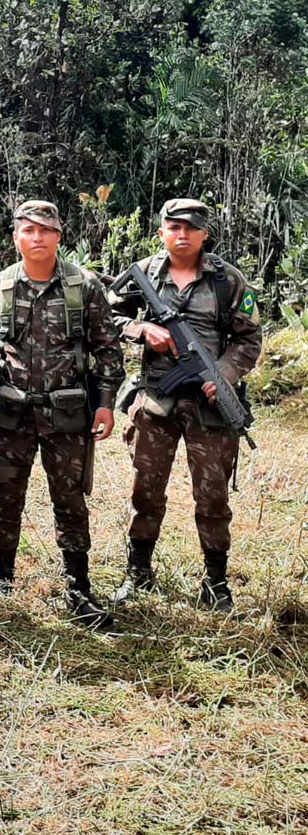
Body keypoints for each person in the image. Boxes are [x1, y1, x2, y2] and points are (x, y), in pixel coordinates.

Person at [0, 201, 124, 628]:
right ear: (15, 237)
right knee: (6, 498)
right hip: (11, 415)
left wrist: (106, 402)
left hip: (67, 416)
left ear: (59, 235)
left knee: (70, 501)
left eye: (45, 230)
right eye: (28, 230)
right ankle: (2, 578)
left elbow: (108, 349)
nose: (36, 238)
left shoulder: (84, 286)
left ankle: (78, 587)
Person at [108, 199, 262, 612]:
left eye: (191, 228)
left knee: (212, 498)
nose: (182, 234)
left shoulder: (227, 280)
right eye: (174, 226)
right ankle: (138, 572)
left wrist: (223, 374)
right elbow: (106, 318)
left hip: (209, 408)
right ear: (161, 231)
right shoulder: (146, 274)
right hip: (156, 402)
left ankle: (216, 583)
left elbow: (249, 339)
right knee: (146, 491)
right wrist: (143, 329)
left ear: (204, 234)